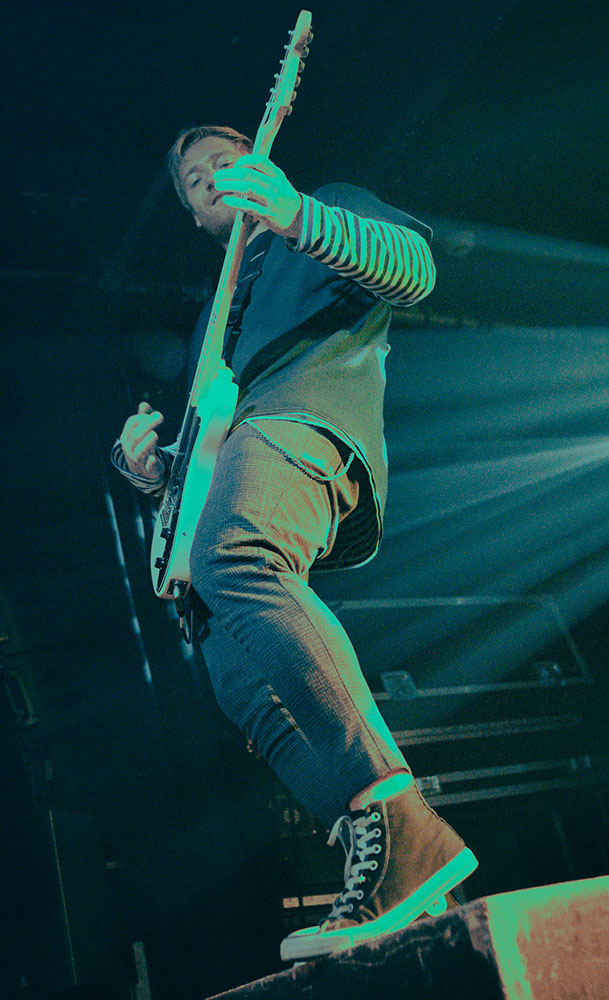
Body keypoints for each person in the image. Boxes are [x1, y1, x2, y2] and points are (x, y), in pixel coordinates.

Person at [112, 125, 478, 962]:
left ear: (261, 165)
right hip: (243, 455)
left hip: (304, 426)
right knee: (238, 676)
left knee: (233, 557)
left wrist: (295, 214)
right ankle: (387, 860)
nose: (212, 177)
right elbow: (204, 457)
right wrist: (149, 471)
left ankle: (399, 815)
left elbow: (414, 271)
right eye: (195, 179)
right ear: (195, 216)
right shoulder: (211, 319)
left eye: (224, 161)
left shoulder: (323, 207)